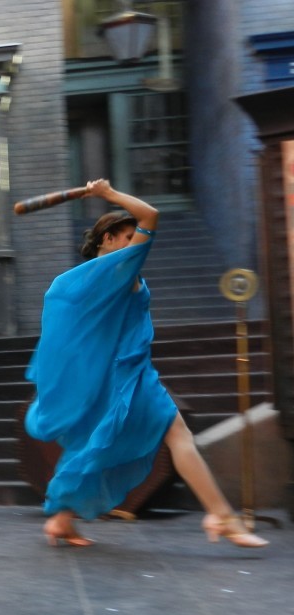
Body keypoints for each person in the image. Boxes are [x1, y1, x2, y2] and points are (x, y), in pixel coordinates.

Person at [25, 179, 268, 549]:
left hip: (118, 377)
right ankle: (221, 515)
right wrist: (107, 195)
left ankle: (61, 519)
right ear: (107, 239)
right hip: (126, 377)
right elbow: (150, 215)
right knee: (173, 436)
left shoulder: (95, 278)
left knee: (98, 445)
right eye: (126, 235)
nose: (132, 241)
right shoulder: (116, 271)